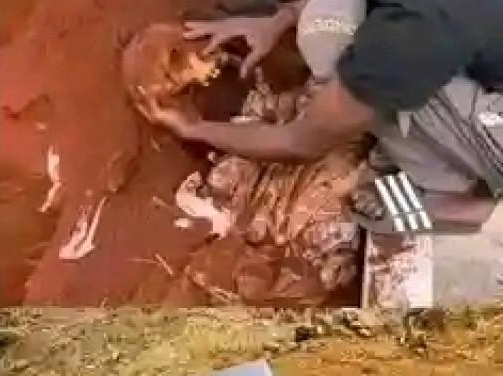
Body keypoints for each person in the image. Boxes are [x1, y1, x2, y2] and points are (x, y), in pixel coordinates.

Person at [136, 0, 503, 234]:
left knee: (332, 49)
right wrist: (280, 20)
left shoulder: (411, 37)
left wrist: (195, 128)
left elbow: (302, 141)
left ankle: (463, 198)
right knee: (335, 38)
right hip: (465, 38)